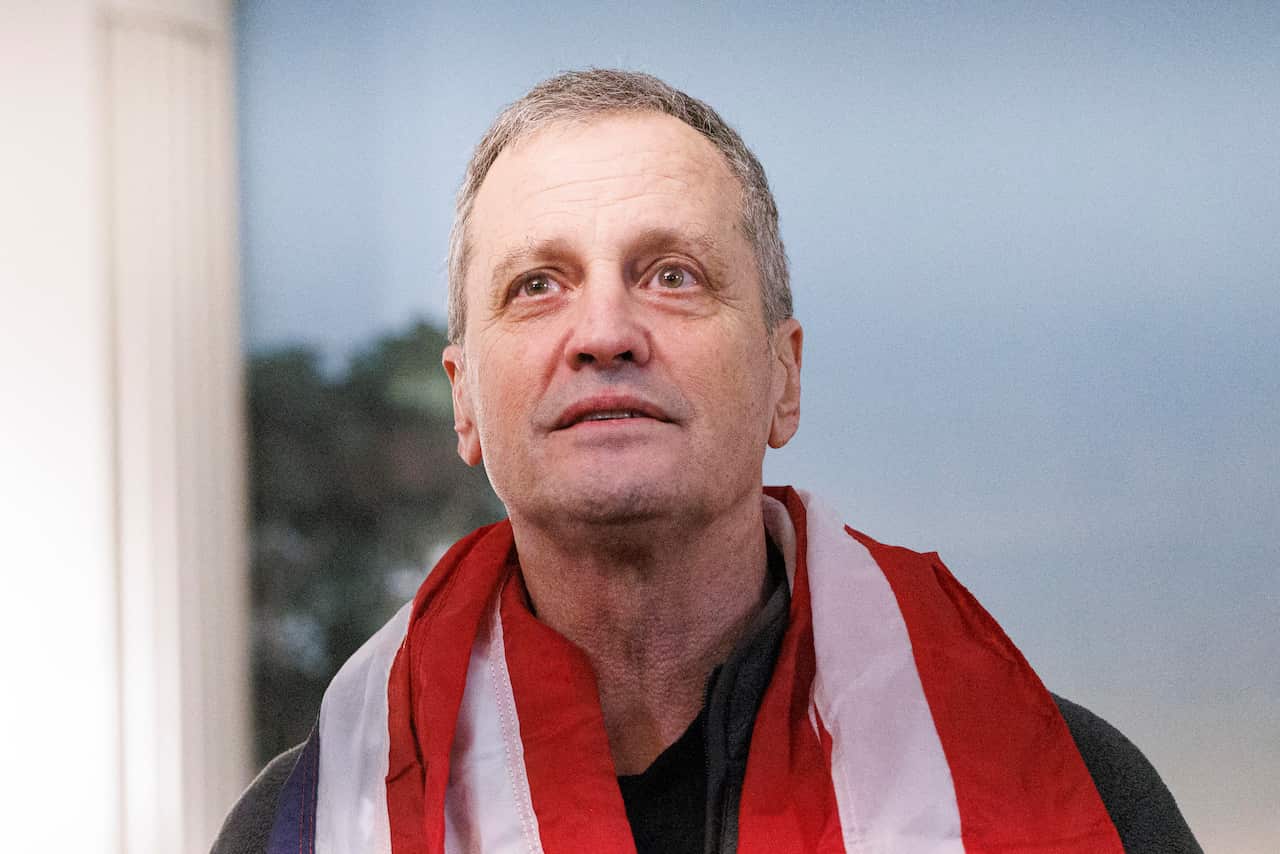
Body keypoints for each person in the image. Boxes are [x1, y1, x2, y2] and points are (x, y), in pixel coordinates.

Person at [213, 69, 1200, 854]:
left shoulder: (1070, 791)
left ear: (783, 374)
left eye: (671, 275)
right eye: (536, 284)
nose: (604, 330)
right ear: (463, 399)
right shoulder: (300, 826)